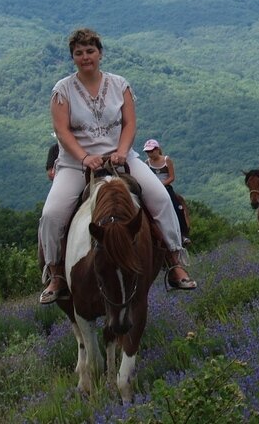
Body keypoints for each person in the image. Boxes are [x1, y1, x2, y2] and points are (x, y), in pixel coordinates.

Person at [38, 28, 196, 305]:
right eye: (79, 53)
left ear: (100, 53)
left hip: (121, 158)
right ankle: (55, 273)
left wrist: (122, 152)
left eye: (90, 51)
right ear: (72, 57)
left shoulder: (119, 84)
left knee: (159, 197)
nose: (85, 57)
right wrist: (85, 158)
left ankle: (174, 260)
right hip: (76, 165)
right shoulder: (62, 91)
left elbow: (130, 123)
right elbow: (62, 131)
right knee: (52, 214)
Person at [143, 138, 190, 245]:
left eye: (151, 151)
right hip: (152, 190)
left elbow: (172, 177)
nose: (149, 154)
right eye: (147, 152)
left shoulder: (166, 160)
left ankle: (183, 234)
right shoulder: (147, 163)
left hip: (166, 187)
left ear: (157, 149)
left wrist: (161, 185)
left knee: (177, 207)